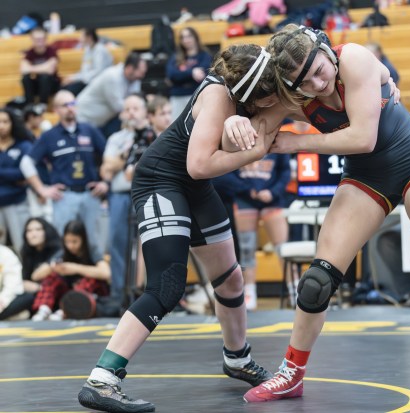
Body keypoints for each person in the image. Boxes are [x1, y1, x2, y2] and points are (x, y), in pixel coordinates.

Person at [225, 25, 410, 403]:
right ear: (289, 84)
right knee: (317, 280)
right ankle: (292, 373)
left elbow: (362, 139)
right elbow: (254, 133)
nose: (318, 84)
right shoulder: (293, 94)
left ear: (327, 50)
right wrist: (236, 123)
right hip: (368, 175)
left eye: (319, 70)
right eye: (305, 82)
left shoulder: (353, 58)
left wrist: (296, 142)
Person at [76, 44, 279, 413]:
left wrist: (380, 82)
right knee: (167, 285)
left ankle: (237, 358)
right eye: (265, 97)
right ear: (248, 91)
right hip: (161, 180)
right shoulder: (219, 95)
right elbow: (200, 164)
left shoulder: (259, 90)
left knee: (230, 280)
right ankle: (102, 380)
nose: (271, 102)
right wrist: (254, 150)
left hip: (193, 187)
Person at [20, 90, 108, 259]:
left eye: (73, 104)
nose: (70, 108)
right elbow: (26, 162)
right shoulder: (49, 136)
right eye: (65, 105)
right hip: (64, 196)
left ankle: (98, 283)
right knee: (62, 242)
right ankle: (63, 283)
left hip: (90, 194)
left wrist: (106, 182)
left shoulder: (89, 130)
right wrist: (42, 189)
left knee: (94, 242)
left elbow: (109, 155)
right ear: (55, 110)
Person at [100, 94, 152, 300]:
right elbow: (106, 170)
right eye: (127, 109)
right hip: (121, 195)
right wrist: (127, 156)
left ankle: (147, 293)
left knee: (148, 243)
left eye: (135, 109)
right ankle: (119, 293)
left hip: (147, 193)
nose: (131, 113)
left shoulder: (151, 135)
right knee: (117, 241)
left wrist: (118, 161)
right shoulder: (116, 138)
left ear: (145, 112)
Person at [233, 153, 291, 310]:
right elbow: (227, 172)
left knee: (283, 249)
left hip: (272, 199)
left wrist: (273, 192)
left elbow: (285, 171)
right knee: (246, 249)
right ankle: (249, 291)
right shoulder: (236, 137)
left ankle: (294, 289)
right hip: (244, 198)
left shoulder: (276, 137)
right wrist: (247, 190)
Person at [30, 219, 110, 321]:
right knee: (52, 278)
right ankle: (44, 308)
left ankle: (65, 310)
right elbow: (35, 276)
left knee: (89, 280)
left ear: (83, 239)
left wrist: (75, 268)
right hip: (67, 293)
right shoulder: (63, 252)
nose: (70, 246)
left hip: (90, 296)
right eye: (67, 241)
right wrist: (53, 268)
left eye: (74, 241)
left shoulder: (91, 250)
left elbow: (106, 273)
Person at [76, 52, 147, 137]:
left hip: (103, 121)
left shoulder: (135, 79)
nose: (142, 76)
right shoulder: (112, 77)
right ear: (130, 68)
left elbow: (135, 99)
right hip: (86, 117)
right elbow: (119, 107)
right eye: (141, 72)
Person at [0, 108, 33, 252]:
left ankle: (25, 274)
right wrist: (12, 175)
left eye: (5, 121)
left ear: (12, 123)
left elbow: (25, 173)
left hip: (17, 201)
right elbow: (17, 173)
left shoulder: (24, 145)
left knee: (22, 245)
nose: (1, 125)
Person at [166, 27, 212, 119]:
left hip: (197, 96)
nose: (186, 40)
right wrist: (191, 72)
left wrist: (182, 75)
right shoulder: (176, 56)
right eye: (183, 37)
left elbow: (203, 75)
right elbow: (171, 74)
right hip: (178, 96)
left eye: (189, 36)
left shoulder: (204, 55)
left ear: (195, 38)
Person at [61, 28, 114, 96]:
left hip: (97, 82)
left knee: (70, 90)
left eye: (82, 36)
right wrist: (72, 77)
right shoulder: (88, 49)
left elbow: (98, 72)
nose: (80, 39)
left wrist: (75, 78)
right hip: (87, 80)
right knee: (63, 87)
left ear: (89, 37)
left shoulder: (100, 50)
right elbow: (84, 70)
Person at [20, 27, 59, 108]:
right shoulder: (30, 52)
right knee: (26, 78)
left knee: (45, 77)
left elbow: (50, 70)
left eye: (41, 39)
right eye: (36, 39)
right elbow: (23, 69)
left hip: (51, 85)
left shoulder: (51, 51)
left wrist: (31, 68)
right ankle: (29, 105)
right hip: (37, 84)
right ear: (32, 39)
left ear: (45, 39)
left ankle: (42, 105)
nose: (39, 41)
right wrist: (43, 68)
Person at [0, 244, 26, 321]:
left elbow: (12, 284)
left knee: (27, 298)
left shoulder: (5, 253)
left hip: (2, 297)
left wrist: (2, 301)